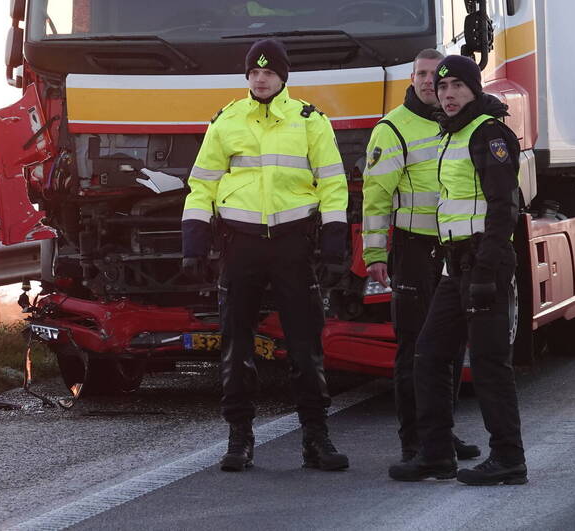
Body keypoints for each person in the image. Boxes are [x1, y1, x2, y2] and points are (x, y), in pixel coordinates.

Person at [181, 38, 350, 472]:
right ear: (247, 77)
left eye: (269, 72)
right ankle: (239, 440)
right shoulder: (226, 120)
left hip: (294, 245)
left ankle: (316, 439)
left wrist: (335, 241)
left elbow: (332, 184)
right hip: (240, 246)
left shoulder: (310, 121)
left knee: (304, 347)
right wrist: (194, 240)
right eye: (254, 73)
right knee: (235, 347)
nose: (260, 79)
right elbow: (202, 184)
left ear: (283, 77)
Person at [389, 54, 527, 485]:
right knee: (429, 355)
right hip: (456, 264)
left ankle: (508, 458)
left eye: (457, 88)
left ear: (474, 89)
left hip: (484, 263)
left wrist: (485, 273)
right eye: (443, 87)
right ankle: (435, 455)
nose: (447, 94)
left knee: (488, 363)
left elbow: (504, 208)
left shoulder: (489, 135)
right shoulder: (454, 133)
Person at [362, 48, 480, 463]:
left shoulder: (458, 123)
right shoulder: (393, 129)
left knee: (450, 347)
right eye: (423, 74)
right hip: (414, 251)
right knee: (414, 349)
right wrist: (375, 251)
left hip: (452, 249)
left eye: (438, 74)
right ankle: (414, 442)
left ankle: (442, 435)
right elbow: (375, 197)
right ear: (411, 79)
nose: (431, 81)